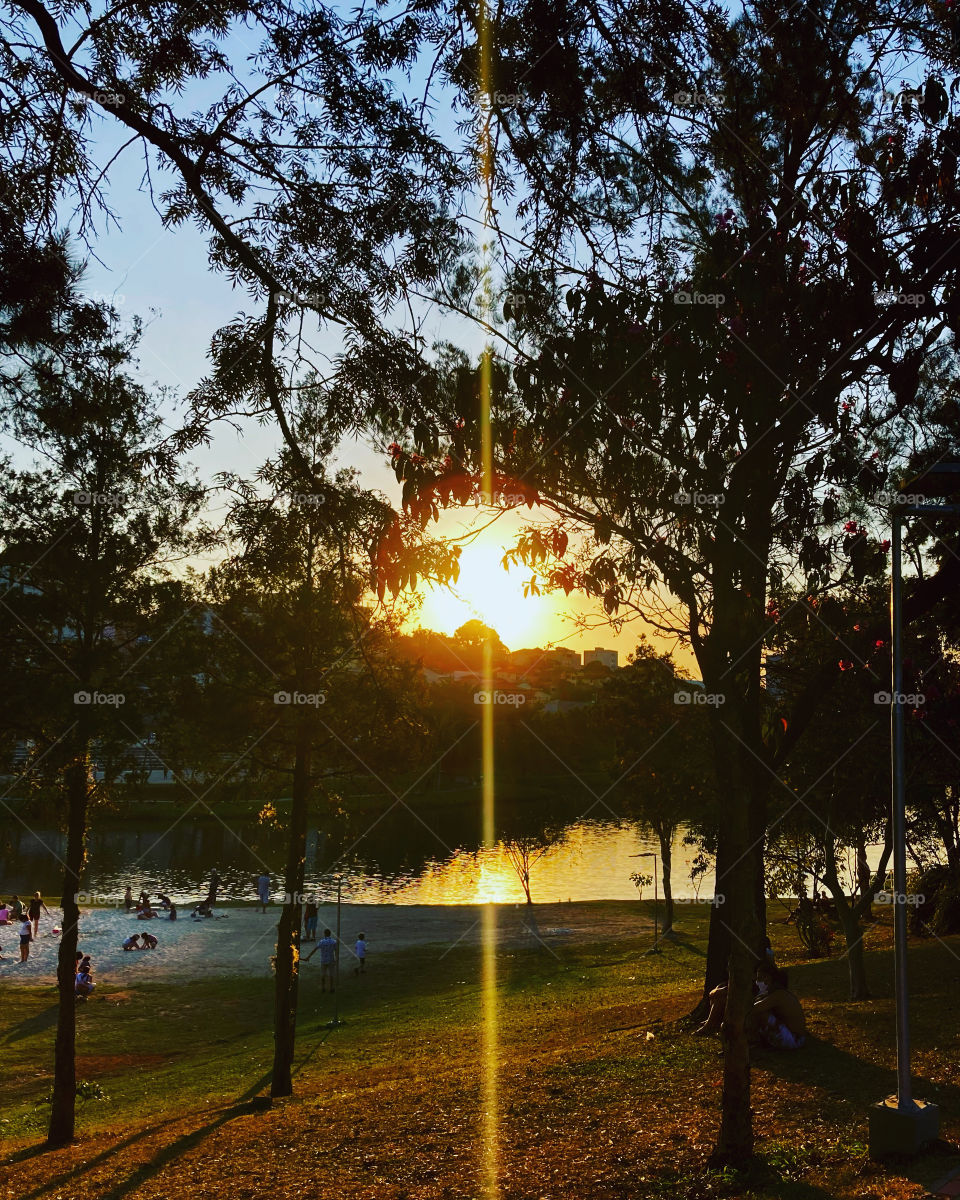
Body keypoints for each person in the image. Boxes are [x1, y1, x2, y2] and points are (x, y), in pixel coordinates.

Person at [752, 964, 806, 1050]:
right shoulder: (775, 992)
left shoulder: (778, 995)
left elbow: (754, 1009)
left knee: (761, 1014)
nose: (757, 982)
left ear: (767, 978)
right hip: (794, 1037)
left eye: (759, 978)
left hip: (794, 1040)